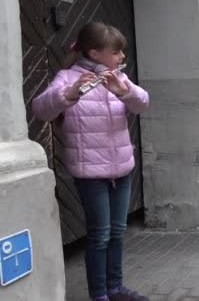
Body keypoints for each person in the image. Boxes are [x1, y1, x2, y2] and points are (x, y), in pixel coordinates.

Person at [32, 22, 150, 301]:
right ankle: (99, 295)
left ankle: (115, 288)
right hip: (90, 172)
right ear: (95, 53)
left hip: (121, 168)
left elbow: (143, 103)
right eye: (117, 52)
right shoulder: (67, 77)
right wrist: (69, 94)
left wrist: (124, 91)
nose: (122, 57)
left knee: (118, 233)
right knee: (100, 236)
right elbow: (41, 109)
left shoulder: (117, 77)